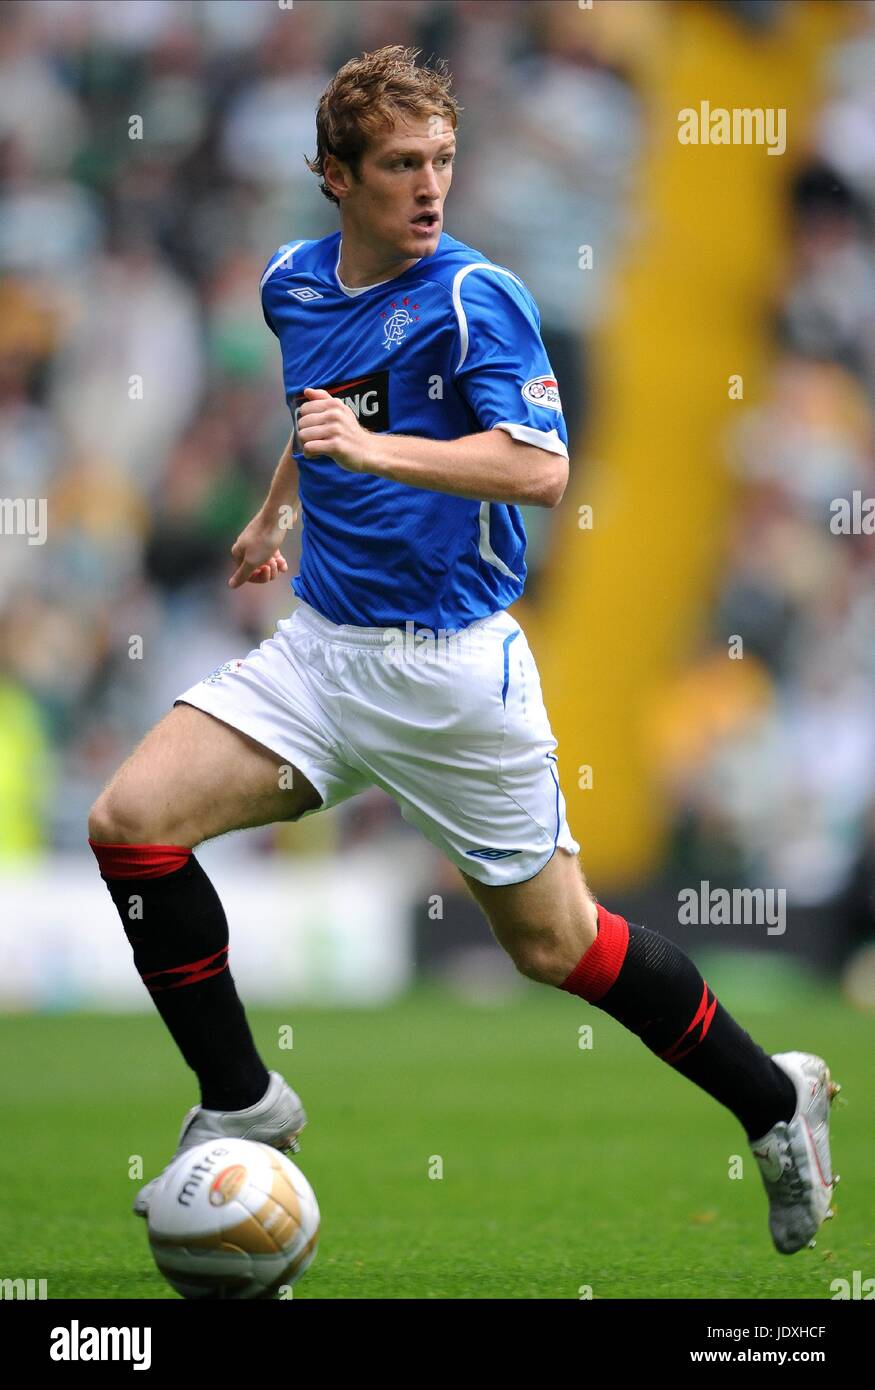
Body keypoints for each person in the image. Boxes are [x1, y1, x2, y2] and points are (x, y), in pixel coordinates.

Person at [88, 45, 838, 1257]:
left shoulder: (472, 296)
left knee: (559, 945)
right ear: (334, 175)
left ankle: (771, 1100)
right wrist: (279, 505)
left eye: (441, 160)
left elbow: (539, 469)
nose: (428, 187)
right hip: (324, 653)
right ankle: (243, 1101)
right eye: (398, 165)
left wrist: (369, 455)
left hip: (452, 675)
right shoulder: (291, 281)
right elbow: (319, 405)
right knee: (131, 820)